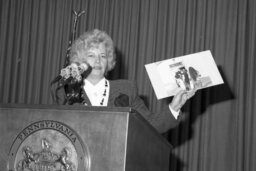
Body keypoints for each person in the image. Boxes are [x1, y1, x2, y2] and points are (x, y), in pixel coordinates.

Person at [55, 29, 196, 133]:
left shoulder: (126, 89)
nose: (98, 60)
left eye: (103, 56)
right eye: (91, 55)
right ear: (80, 61)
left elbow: (151, 125)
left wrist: (174, 106)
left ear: (109, 61)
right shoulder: (67, 90)